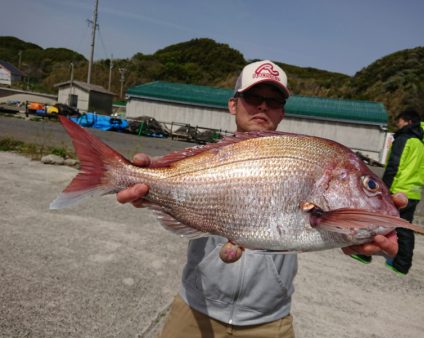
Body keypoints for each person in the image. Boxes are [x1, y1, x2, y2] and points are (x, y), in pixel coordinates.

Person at [117, 60, 402, 337]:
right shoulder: (207, 157)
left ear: (282, 113)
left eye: (274, 101)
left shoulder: (303, 157)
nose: (263, 106)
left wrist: (364, 241)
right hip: (195, 309)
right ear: (233, 104)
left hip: (269, 323)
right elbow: (173, 174)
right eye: (253, 97)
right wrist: (151, 181)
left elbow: (332, 232)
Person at [353, 109, 424, 275]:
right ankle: (402, 265)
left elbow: (394, 165)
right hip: (414, 191)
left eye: (400, 122)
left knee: (375, 221)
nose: (398, 125)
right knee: (404, 229)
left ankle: (365, 254)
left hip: (398, 190)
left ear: (408, 121)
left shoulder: (404, 138)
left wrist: (383, 189)